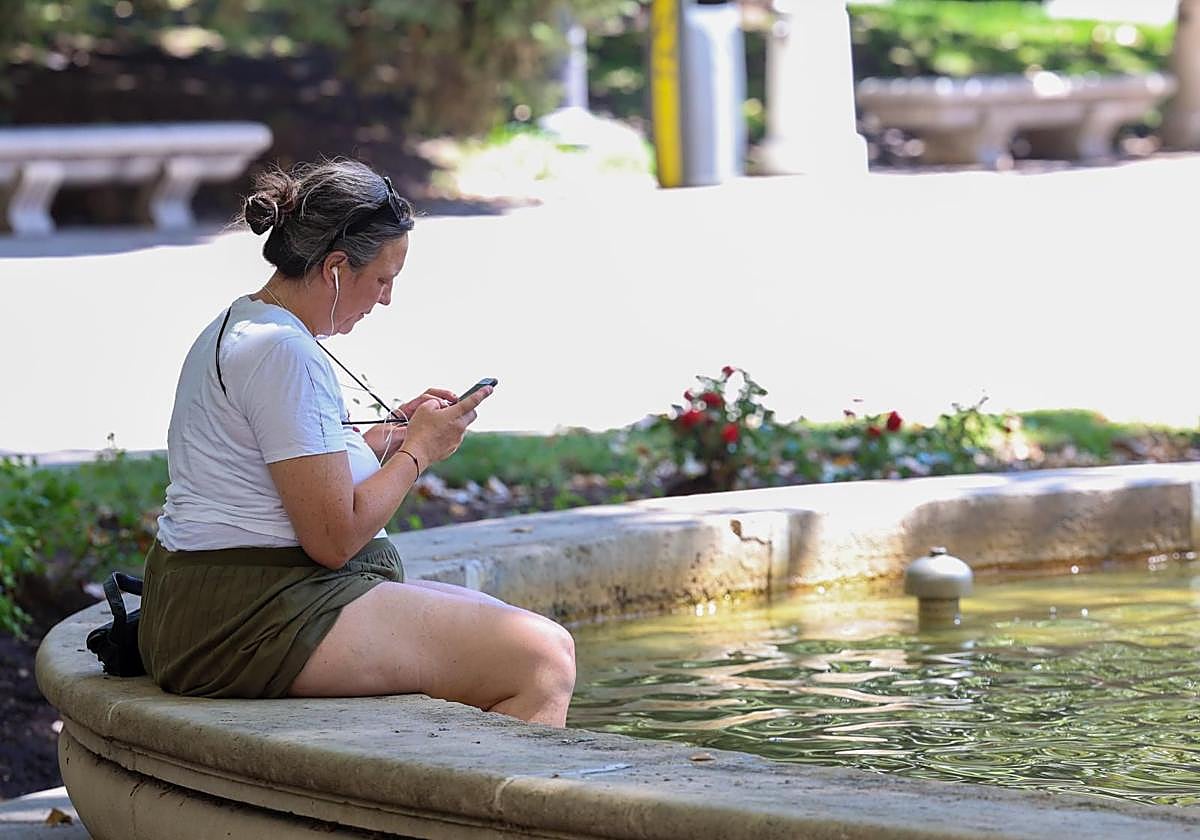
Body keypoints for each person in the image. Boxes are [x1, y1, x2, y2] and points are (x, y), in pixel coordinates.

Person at [138, 158, 576, 727]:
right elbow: (334, 538)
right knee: (539, 660)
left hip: (227, 605)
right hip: (245, 620)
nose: (387, 299)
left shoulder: (251, 325)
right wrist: (419, 452)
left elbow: (286, 462)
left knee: (531, 639)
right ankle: (476, 817)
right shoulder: (281, 353)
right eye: (383, 279)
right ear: (337, 268)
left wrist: (392, 435)